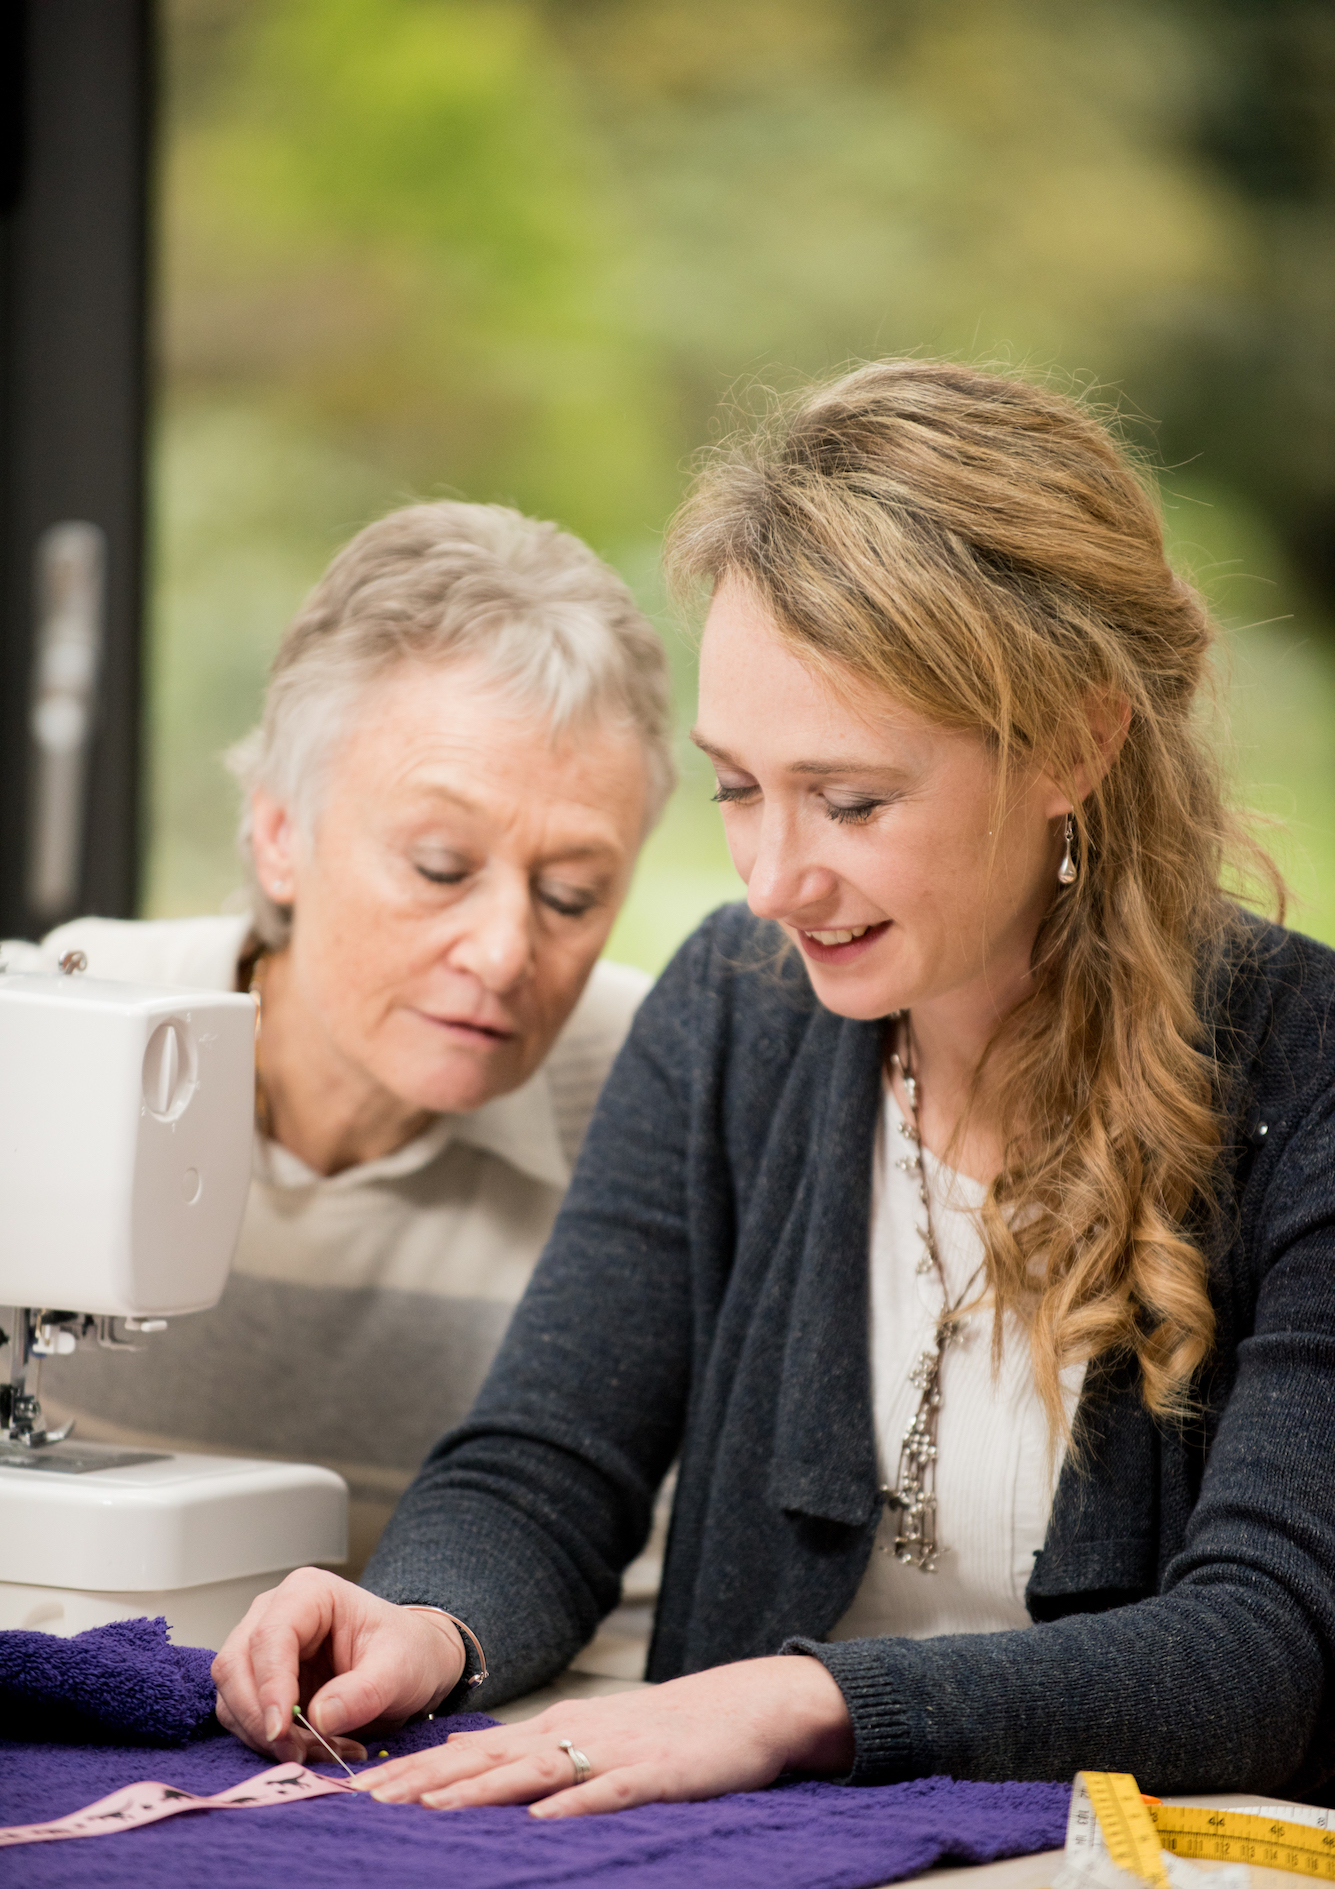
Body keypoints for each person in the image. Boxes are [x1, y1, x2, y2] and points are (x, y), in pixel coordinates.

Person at [211, 360, 1335, 1815]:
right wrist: (426, 1621)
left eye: (851, 800)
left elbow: (1257, 1657)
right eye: (738, 786)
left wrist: (800, 1705)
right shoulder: (732, 1008)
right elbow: (546, 1461)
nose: (772, 879)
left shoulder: (1301, 1070)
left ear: (1073, 741)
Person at [19, 501, 672, 1573]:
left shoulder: (649, 1093)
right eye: (439, 868)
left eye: (570, 894)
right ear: (281, 833)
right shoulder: (81, 1018)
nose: (505, 952)